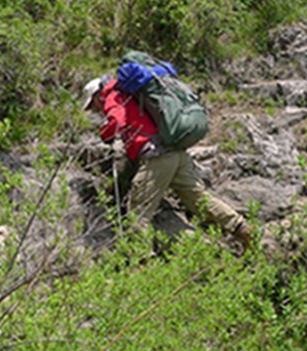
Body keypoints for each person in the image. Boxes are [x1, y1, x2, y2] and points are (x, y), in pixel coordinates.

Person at [83, 75, 253, 252]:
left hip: (157, 157)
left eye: (93, 106)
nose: (96, 110)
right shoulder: (129, 94)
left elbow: (117, 120)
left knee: (138, 212)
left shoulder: (112, 96)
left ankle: (141, 261)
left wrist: (105, 134)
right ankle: (242, 228)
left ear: (97, 95)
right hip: (176, 152)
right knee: (198, 199)